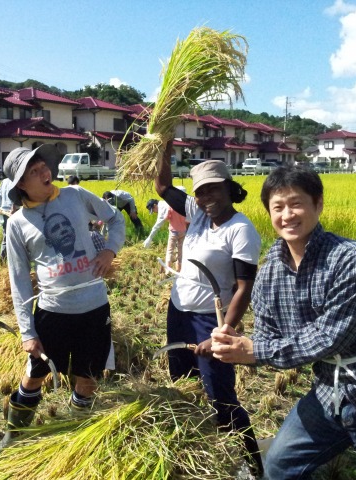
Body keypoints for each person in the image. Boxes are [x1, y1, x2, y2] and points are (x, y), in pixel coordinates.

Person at [211, 166, 356, 480]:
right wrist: (236, 343)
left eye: (296, 204)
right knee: (278, 466)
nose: (287, 215)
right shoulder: (270, 272)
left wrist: (256, 350)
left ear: (318, 204)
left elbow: (331, 336)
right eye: (278, 207)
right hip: (330, 391)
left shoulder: (352, 259)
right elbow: (269, 336)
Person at [0, 144, 125, 450]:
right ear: (21, 185)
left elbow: (116, 220)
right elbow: (18, 279)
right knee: (35, 375)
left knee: (89, 377)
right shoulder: (17, 224)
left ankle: (72, 432)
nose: (45, 173)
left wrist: (110, 250)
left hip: (94, 307)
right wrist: (27, 332)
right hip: (53, 312)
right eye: (34, 171)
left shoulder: (75, 195)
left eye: (44, 166)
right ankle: (13, 435)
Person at [152, 146, 263, 476]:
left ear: (229, 187)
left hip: (210, 319)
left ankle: (252, 465)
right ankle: (198, 455)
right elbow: (161, 187)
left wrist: (222, 333)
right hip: (179, 312)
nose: (206, 196)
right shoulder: (197, 213)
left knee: (221, 395)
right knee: (182, 383)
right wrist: (164, 145)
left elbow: (244, 287)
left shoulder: (240, 230)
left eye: (213, 187)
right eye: (200, 191)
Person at [143, 185, 188, 271]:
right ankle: (179, 269)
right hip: (183, 231)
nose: (155, 212)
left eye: (153, 210)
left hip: (174, 231)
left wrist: (149, 238)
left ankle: (168, 270)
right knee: (180, 250)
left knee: (170, 250)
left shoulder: (163, 207)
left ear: (155, 205)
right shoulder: (177, 203)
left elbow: (158, 225)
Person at [0, 176, 15, 261]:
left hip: (4, 212)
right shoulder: (16, 181)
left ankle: (3, 258)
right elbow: (14, 198)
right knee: (16, 237)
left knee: (6, 235)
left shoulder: (3, 181)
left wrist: (1, 208)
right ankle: (13, 259)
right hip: (14, 212)